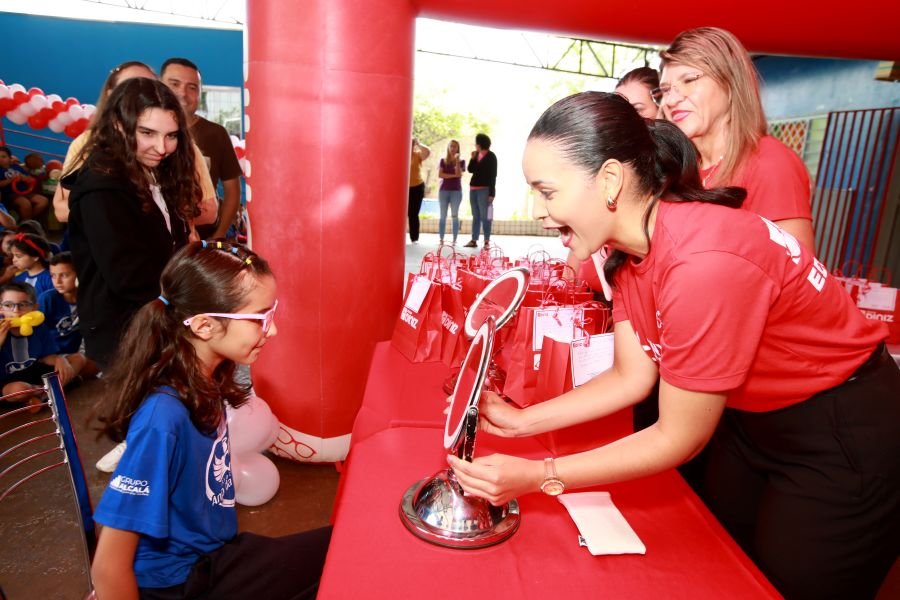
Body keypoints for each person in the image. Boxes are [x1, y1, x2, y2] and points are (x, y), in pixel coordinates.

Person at [448, 92, 899, 600]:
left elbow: (678, 437)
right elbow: (632, 377)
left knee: (786, 582)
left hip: (841, 426)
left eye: (547, 192)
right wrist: (522, 419)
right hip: (752, 418)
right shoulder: (630, 248)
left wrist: (539, 476)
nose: (540, 214)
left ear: (611, 180)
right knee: (723, 558)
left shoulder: (703, 262)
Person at [90, 241, 331, 599]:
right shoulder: (163, 416)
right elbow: (108, 565)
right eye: (261, 318)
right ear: (204, 325)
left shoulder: (206, 379)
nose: (274, 330)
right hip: (182, 583)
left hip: (215, 555)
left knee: (343, 548)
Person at [63, 77, 200, 370]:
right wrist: (191, 300)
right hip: (127, 332)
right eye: (147, 133)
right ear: (117, 125)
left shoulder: (156, 171)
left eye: (171, 136)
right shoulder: (102, 185)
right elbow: (128, 275)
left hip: (159, 321)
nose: (161, 147)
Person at [655, 27, 815, 251]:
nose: (671, 99)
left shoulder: (771, 163)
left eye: (689, 80)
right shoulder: (679, 167)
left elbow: (796, 277)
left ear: (730, 84)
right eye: (665, 89)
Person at [53, 61, 217, 228]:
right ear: (113, 97)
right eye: (130, 89)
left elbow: (208, 210)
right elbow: (61, 209)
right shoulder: (87, 144)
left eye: (149, 87)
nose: (160, 147)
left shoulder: (180, 147)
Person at [161, 58, 243, 240]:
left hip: (205, 238)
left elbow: (233, 190)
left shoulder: (215, 134)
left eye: (192, 87)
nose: (182, 93)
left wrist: (219, 235)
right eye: (174, 84)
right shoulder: (141, 133)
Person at [0, 282, 73, 410]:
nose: (16, 311)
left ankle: (41, 395)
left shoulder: (39, 327)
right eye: (8, 305)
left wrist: (59, 359)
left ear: (34, 308)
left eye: (22, 305)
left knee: (77, 360)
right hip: (8, 384)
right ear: (1, 309)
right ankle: (44, 392)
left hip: (34, 373)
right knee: (20, 389)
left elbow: (46, 356)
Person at [38, 252, 95, 379]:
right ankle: (48, 394)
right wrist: (56, 358)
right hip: (49, 356)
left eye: (64, 275)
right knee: (79, 360)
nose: (57, 281)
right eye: (53, 276)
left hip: (73, 354)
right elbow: (38, 335)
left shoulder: (90, 298)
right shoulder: (47, 299)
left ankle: (64, 382)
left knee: (94, 366)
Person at [464, 133, 497, 248]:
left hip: (485, 190)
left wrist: (492, 193)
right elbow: (470, 170)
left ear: (480, 143)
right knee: (475, 215)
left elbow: (493, 175)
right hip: (473, 189)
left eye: (476, 142)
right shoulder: (476, 155)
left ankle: (487, 241)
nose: (475, 145)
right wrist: (473, 159)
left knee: (486, 216)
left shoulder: (491, 156)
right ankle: (474, 240)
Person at [0, 146, 48, 222]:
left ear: (10, 158)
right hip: (10, 194)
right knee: (25, 204)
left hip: (24, 192)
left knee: (43, 201)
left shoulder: (16, 166)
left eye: (3, 157)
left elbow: (29, 178)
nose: (1, 159)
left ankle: (26, 221)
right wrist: (10, 180)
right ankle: (26, 223)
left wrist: (24, 177)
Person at [437, 140, 465, 245]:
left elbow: (459, 173)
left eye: (455, 147)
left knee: (454, 215)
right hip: (443, 191)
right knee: (442, 215)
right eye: (451, 146)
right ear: (448, 148)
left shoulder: (461, 162)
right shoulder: (443, 161)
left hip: (456, 192)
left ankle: (454, 239)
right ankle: (441, 238)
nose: (453, 148)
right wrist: (454, 176)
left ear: (458, 148)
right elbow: (440, 175)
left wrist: (457, 161)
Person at [10, 232, 53, 297]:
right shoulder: (18, 279)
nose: (14, 260)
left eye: (18, 256)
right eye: (13, 256)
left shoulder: (50, 279)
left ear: (35, 257)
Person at [407, 137, 430, 244]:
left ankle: (414, 238)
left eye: (411, 144)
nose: (409, 145)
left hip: (417, 187)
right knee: (403, 213)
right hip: (404, 189)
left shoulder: (417, 155)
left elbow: (427, 152)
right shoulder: (401, 155)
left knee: (413, 213)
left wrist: (418, 143)